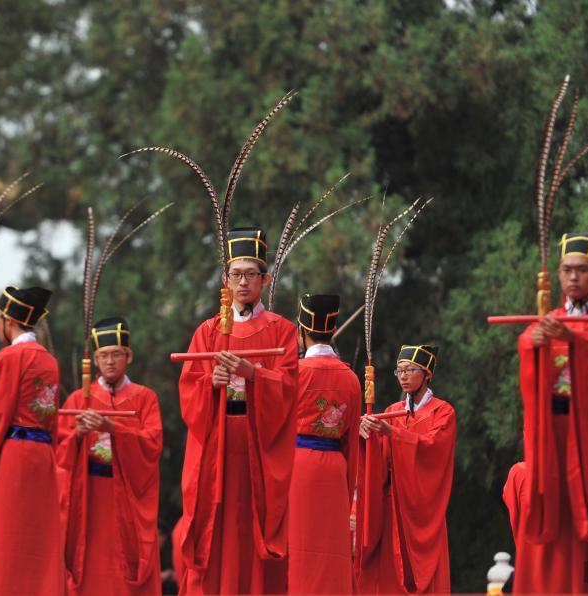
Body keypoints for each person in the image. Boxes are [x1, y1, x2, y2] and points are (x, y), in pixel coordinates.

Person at [502, 231, 588, 593]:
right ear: (557, 275)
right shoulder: (550, 318)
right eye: (566, 270)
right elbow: (529, 354)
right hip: (553, 432)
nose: (573, 277)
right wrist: (531, 344)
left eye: (583, 270)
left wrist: (576, 340)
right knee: (551, 513)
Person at [176, 226, 298, 593]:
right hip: (218, 444)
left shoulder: (282, 331)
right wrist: (209, 383)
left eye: (250, 274)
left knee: (252, 530)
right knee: (216, 527)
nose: (242, 282)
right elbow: (189, 390)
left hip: (258, 447)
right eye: (235, 274)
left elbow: (291, 388)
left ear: (265, 278)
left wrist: (254, 374)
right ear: (225, 280)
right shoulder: (208, 331)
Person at [57, 316, 163, 595]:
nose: (110, 361)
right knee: (87, 566)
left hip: (126, 496)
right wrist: (77, 435)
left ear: (129, 356)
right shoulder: (79, 399)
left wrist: (113, 429)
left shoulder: (144, 398)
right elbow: (58, 452)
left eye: (117, 354)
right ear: (94, 359)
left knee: (125, 567)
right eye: (104, 356)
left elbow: (152, 445)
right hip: (90, 496)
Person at [0, 286, 63, 595]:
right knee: (38, 540)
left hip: (16, 458)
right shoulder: (49, 361)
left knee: (8, 540)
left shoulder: (11, 358)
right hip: (43, 459)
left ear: (9, 320)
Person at [357, 344, 456, 593]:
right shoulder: (392, 412)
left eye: (410, 370)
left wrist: (393, 433)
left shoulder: (443, 412)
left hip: (423, 510)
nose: (403, 376)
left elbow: (433, 449)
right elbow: (378, 461)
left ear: (427, 374)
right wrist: (365, 436)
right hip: (393, 506)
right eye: (399, 371)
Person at [287, 294, 360, 594]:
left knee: (299, 551)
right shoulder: (351, 379)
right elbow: (352, 441)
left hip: (299, 466)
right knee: (332, 554)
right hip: (334, 471)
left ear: (302, 330)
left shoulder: (295, 374)